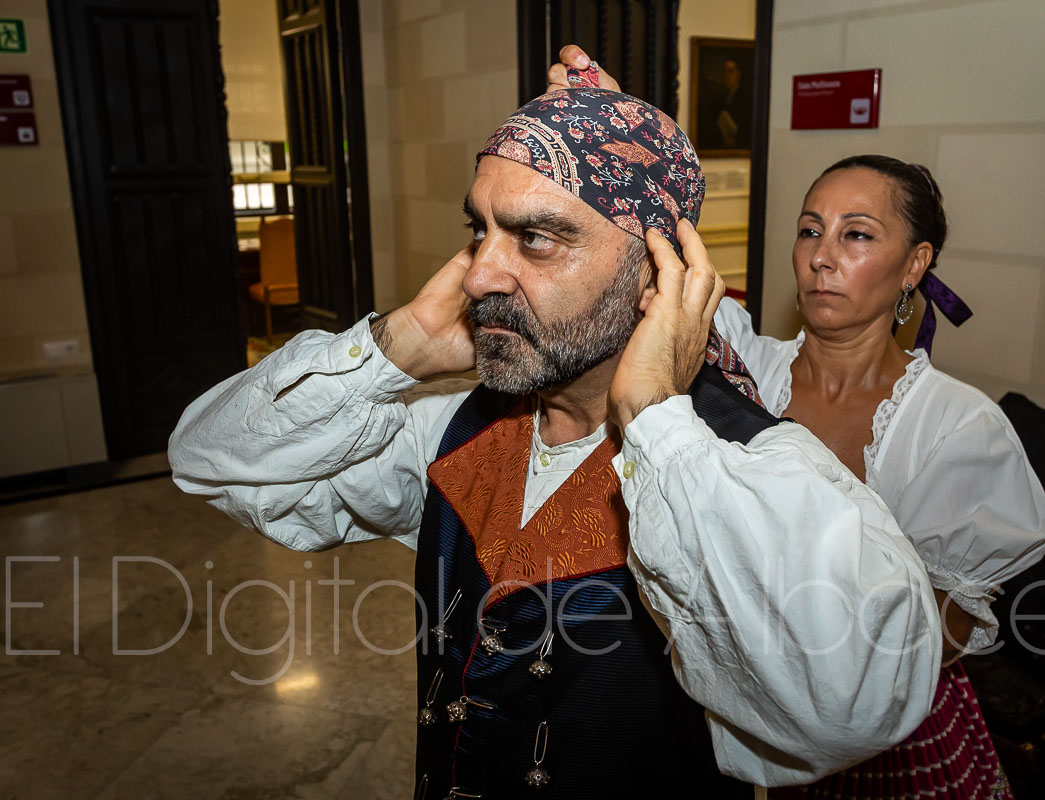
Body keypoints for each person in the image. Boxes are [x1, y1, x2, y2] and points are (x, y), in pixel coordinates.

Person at [169, 85, 943, 797]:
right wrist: (393, 349)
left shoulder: (745, 464)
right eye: (480, 230)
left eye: (536, 237)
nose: (479, 275)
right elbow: (213, 465)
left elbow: (854, 705)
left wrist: (654, 419)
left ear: (655, 273)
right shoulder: (453, 425)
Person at [550, 48, 1045, 798]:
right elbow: (660, 285)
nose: (822, 258)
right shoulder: (746, 366)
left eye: (857, 235)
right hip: (751, 703)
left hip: (891, 728)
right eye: (810, 230)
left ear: (914, 264)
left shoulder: (957, 429)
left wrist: (831, 683)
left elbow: (945, 626)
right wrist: (617, 144)